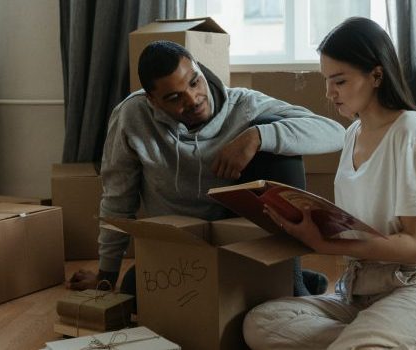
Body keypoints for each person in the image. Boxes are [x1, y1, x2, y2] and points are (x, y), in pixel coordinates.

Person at [242, 16, 416, 349]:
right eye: (327, 80)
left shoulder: (409, 132)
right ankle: (395, 342)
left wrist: (327, 245)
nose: (329, 93)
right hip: (359, 290)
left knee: (354, 344)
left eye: (340, 81)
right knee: (260, 324)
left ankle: (380, 340)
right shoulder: (352, 134)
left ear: (376, 75)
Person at [68, 40, 346, 300]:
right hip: (181, 245)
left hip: (240, 239)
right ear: (152, 101)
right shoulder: (132, 116)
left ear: (199, 68)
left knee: (276, 133)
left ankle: (293, 283)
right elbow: (118, 199)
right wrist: (106, 277)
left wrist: (257, 136)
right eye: (175, 97)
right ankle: (267, 281)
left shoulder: (243, 105)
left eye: (194, 81)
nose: (193, 100)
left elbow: (335, 133)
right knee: (134, 292)